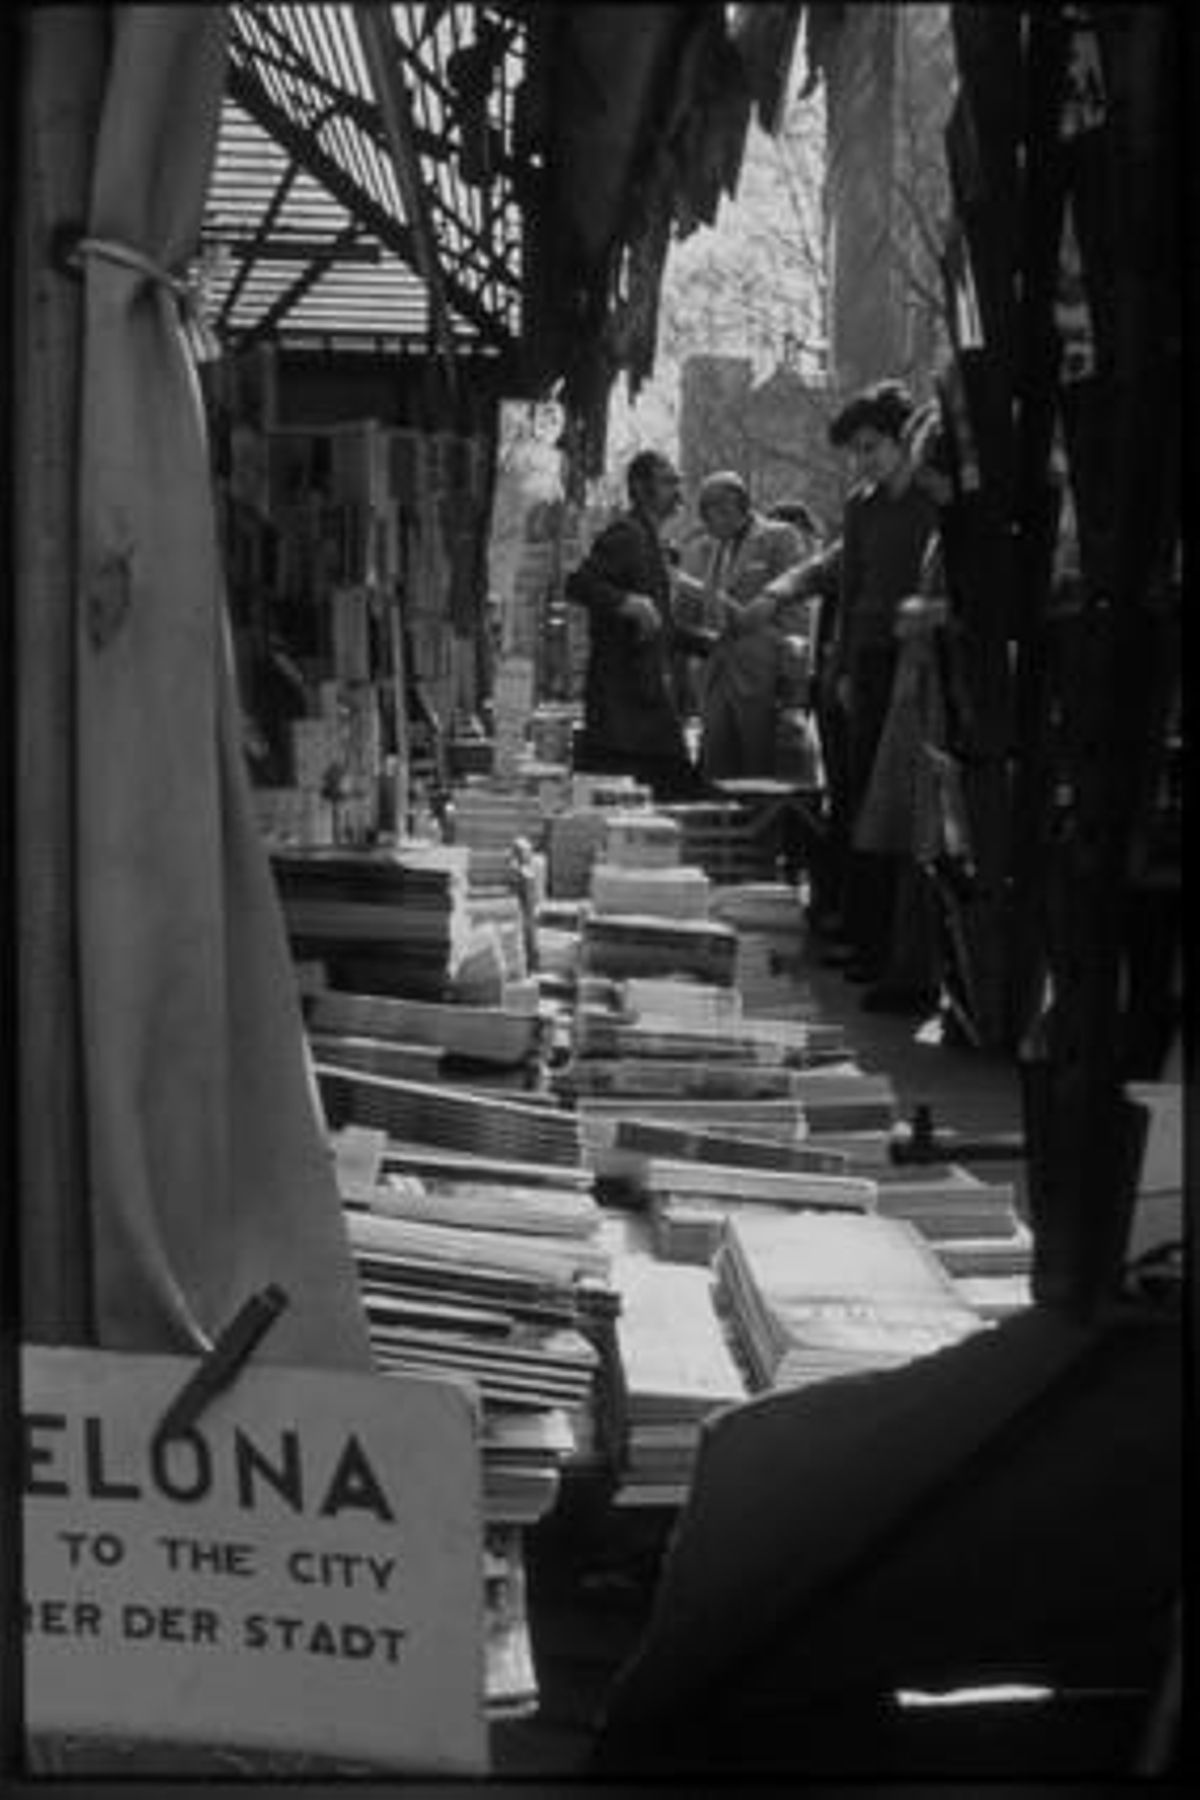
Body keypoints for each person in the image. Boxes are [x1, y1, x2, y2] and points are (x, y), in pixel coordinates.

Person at [824, 380, 940, 994]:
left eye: (872, 446)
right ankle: (863, 938)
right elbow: (848, 593)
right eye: (857, 451)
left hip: (918, 659)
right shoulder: (860, 506)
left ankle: (897, 953)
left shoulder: (932, 501)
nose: (864, 460)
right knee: (860, 797)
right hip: (867, 661)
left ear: (902, 443)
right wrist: (840, 669)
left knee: (904, 804)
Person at [564, 450, 707, 799]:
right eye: (668, 482)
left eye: (678, 482)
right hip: (623, 709)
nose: (678, 491)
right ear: (641, 488)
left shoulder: (651, 542)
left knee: (665, 799)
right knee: (651, 801)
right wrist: (627, 603)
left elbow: (665, 629)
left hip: (645, 706)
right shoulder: (627, 534)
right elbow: (579, 584)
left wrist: (715, 643)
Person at [677, 471, 806, 782]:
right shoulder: (706, 549)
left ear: (731, 508)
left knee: (760, 771)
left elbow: (795, 608)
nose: (705, 525)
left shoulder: (780, 537)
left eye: (708, 514)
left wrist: (791, 675)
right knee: (716, 770)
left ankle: (762, 831)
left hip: (762, 675)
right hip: (716, 676)